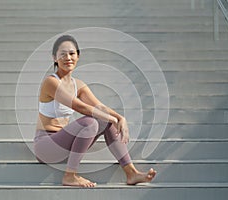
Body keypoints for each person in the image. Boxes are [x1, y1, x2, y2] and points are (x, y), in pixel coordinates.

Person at [34, 35, 156, 187]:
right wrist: (112, 119)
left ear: (78, 56)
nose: (68, 57)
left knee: (105, 121)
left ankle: (131, 173)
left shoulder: (78, 84)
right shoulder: (51, 82)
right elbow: (80, 107)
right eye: (62, 54)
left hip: (66, 146)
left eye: (72, 53)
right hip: (47, 146)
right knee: (90, 122)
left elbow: (100, 107)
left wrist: (119, 118)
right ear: (54, 58)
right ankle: (70, 175)